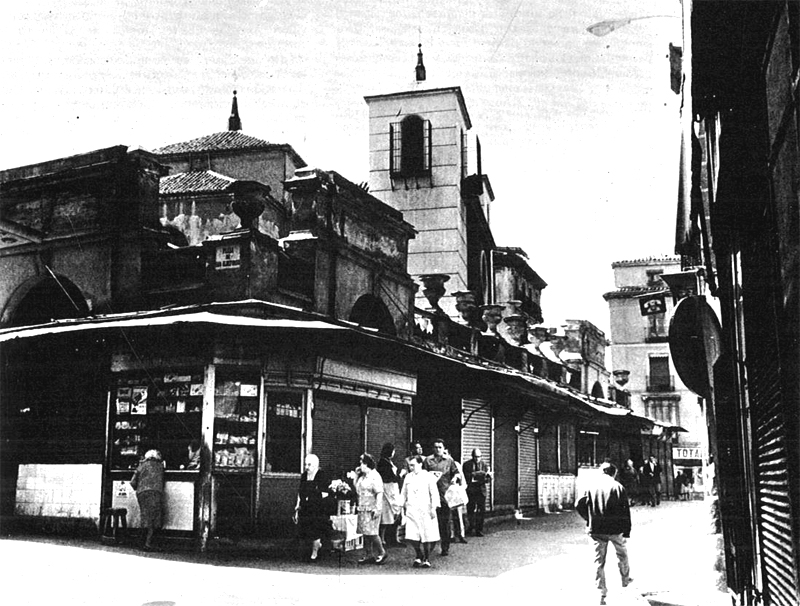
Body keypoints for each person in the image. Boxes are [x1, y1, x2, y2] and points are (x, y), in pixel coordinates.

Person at [576, 462, 633, 605]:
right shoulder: (618, 487)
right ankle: (625, 582)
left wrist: (588, 518)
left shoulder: (590, 486)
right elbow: (625, 511)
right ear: (613, 473)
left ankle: (601, 593)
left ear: (601, 472)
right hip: (615, 530)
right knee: (622, 555)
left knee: (598, 561)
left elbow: (579, 504)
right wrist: (626, 530)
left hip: (596, 529)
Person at [400, 454, 440, 568]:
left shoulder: (428, 477)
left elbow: (434, 494)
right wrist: (400, 506)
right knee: (412, 535)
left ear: (420, 464)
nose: (411, 468)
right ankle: (419, 554)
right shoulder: (408, 477)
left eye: (413, 465)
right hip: (412, 509)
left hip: (426, 510)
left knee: (428, 535)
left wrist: (433, 508)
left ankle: (426, 558)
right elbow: (403, 493)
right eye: (409, 466)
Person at [423, 438, 461, 556]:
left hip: (445, 495)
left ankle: (445, 547)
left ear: (444, 449)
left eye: (440, 447)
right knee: (430, 522)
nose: (438, 449)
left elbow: (456, 473)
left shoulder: (449, 461)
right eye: (436, 447)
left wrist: (455, 478)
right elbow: (423, 475)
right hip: (431, 496)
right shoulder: (428, 461)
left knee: (445, 522)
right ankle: (429, 547)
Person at [293, 453, 330, 561]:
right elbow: (300, 492)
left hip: (317, 507)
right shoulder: (304, 476)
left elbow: (325, 493)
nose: (306, 467)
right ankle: (306, 552)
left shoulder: (321, 475)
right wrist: (297, 506)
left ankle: (315, 552)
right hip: (305, 506)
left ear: (315, 465)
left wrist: (315, 498)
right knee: (304, 529)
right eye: (305, 464)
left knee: (315, 530)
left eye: (309, 465)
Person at [353, 453, 387, 565]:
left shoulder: (375, 476)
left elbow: (379, 493)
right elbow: (357, 488)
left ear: (367, 464)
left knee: (372, 532)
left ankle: (382, 552)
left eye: (362, 462)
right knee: (365, 532)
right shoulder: (362, 476)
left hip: (372, 507)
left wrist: (378, 508)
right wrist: (356, 476)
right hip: (362, 506)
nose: (360, 465)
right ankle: (368, 554)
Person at [130, 449, 165, 550]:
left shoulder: (142, 465)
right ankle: (149, 543)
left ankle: (141, 542)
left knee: (145, 516)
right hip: (155, 492)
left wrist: (140, 487)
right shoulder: (160, 466)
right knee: (154, 518)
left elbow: (132, 482)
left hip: (142, 493)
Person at [376, 442, 402, 546]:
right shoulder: (383, 463)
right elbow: (388, 477)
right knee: (386, 515)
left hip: (392, 489)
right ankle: (382, 538)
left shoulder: (389, 462)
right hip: (387, 490)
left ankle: (392, 537)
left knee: (394, 513)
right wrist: (399, 476)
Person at [463, 447, 491, 536]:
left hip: (481, 490)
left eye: (479, 457)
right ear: (472, 456)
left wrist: (488, 477)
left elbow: (488, 480)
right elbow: (465, 476)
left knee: (481, 510)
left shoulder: (485, 465)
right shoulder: (467, 465)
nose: (477, 459)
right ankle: (471, 527)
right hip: (471, 490)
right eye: (475, 457)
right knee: (470, 509)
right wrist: (473, 475)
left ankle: (479, 529)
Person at [445, 449, 468, 544]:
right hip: (446, 493)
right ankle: (451, 535)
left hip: (455, 493)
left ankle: (461, 535)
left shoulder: (456, 464)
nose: (445, 456)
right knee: (448, 515)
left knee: (458, 515)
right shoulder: (443, 466)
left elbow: (462, 478)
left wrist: (461, 489)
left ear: (450, 454)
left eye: (446, 453)